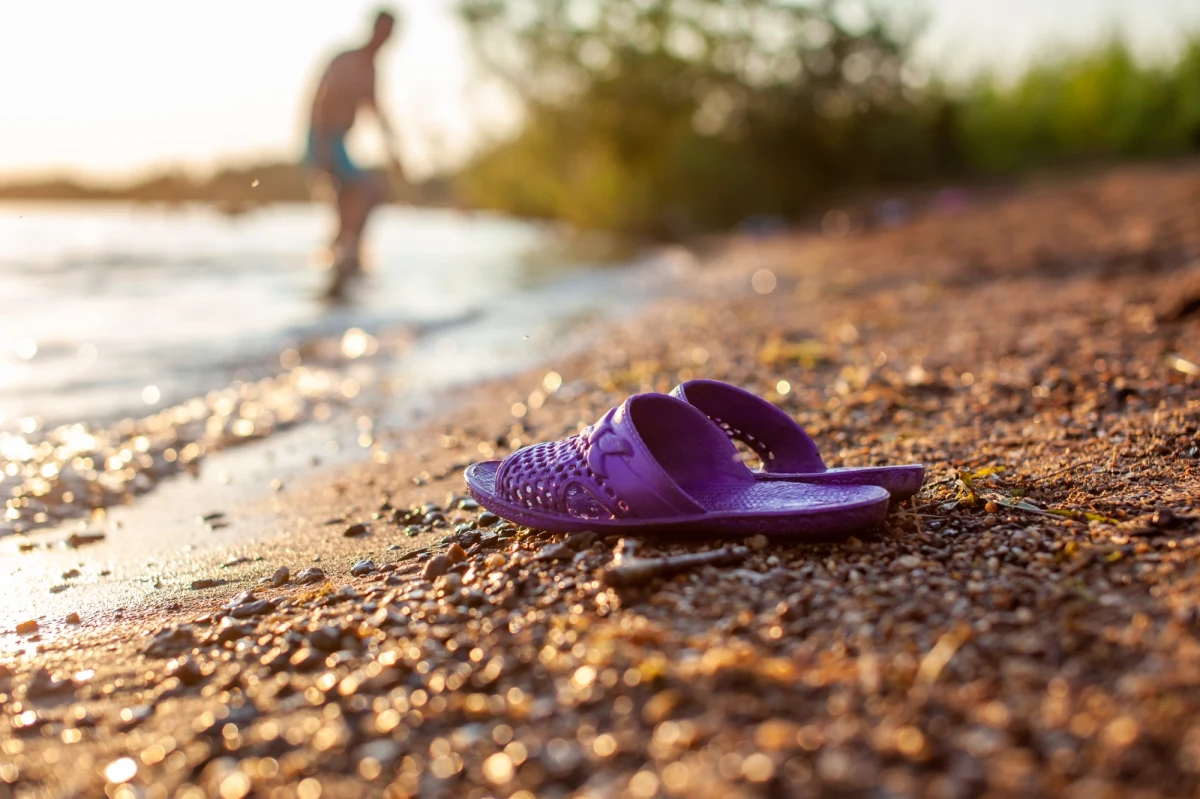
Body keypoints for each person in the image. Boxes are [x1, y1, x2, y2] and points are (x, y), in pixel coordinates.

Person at [305, 9, 406, 298]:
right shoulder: (347, 60)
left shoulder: (371, 69)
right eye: (383, 31)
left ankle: (343, 254)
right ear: (374, 29)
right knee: (366, 190)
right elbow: (321, 101)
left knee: (359, 197)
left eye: (390, 34)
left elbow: (377, 114)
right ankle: (344, 255)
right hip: (324, 138)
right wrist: (322, 149)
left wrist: (394, 154)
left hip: (340, 143)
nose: (385, 38)